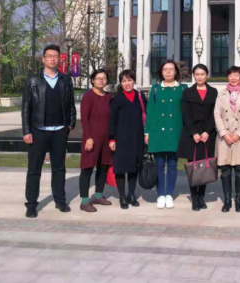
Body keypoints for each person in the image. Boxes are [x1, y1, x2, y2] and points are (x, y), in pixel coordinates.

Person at [22, 44, 76, 218]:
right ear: (43, 59)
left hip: (59, 130)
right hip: (38, 130)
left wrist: (70, 124)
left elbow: (71, 104)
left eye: (55, 56)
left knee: (59, 168)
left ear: (59, 59)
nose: (53, 58)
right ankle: (31, 204)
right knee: (34, 169)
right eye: (49, 56)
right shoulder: (33, 81)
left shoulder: (66, 80)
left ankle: (60, 200)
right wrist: (26, 131)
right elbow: (26, 107)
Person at [145, 60, 187, 209]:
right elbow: (150, 112)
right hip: (158, 131)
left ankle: (169, 193)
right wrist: (147, 132)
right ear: (161, 72)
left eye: (171, 69)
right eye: (165, 69)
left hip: (175, 130)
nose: (168, 72)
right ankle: (160, 194)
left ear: (176, 72)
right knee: (159, 164)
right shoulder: (156, 89)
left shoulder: (182, 88)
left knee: (173, 164)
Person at [177, 64, 218, 211]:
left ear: (207, 75)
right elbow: (185, 114)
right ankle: (194, 199)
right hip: (192, 134)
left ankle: (202, 197)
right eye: (197, 74)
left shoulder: (213, 92)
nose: (200, 77)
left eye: (202, 74)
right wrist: (194, 132)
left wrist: (207, 131)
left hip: (208, 134)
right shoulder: (188, 92)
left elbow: (215, 113)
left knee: (205, 166)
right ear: (194, 76)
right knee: (194, 167)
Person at [214, 66, 240, 213]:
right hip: (224, 137)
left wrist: (239, 133)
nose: (233, 78)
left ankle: (238, 200)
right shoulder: (221, 94)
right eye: (231, 75)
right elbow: (217, 114)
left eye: (236, 75)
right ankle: (227, 200)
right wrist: (224, 133)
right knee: (225, 170)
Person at [109, 69, 147, 210]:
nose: (127, 83)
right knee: (121, 168)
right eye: (124, 81)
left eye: (129, 80)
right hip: (121, 138)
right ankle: (122, 196)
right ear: (120, 83)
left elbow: (147, 115)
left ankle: (131, 195)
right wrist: (112, 139)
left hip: (137, 138)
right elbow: (111, 121)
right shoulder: (116, 99)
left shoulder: (140, 97)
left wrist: (147, 134)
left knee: (133, 167)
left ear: (134, 81)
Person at [79, 68, 114, 213]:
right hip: (92, 138)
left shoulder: (109, 97)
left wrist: (112, 138)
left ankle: (98, 195)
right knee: (87, 168)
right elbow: (84, 119)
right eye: (98, 78)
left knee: (103, 166)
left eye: (104, 78)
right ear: (93, 80)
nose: (101, 80)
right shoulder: (88, 97)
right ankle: (84, 200)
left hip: (106, 139)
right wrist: (88, 137)